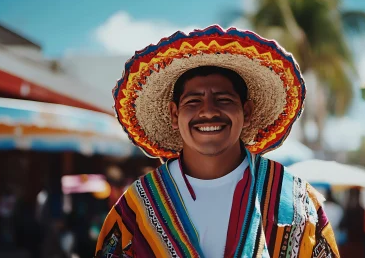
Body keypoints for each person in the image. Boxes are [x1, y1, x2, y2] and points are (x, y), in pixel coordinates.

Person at [95, 25, 339, 257]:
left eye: (223, 99)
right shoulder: (136, 207)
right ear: (173, 114)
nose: (208, 111)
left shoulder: (295, 200)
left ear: (247, 111)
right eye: (193, 101)